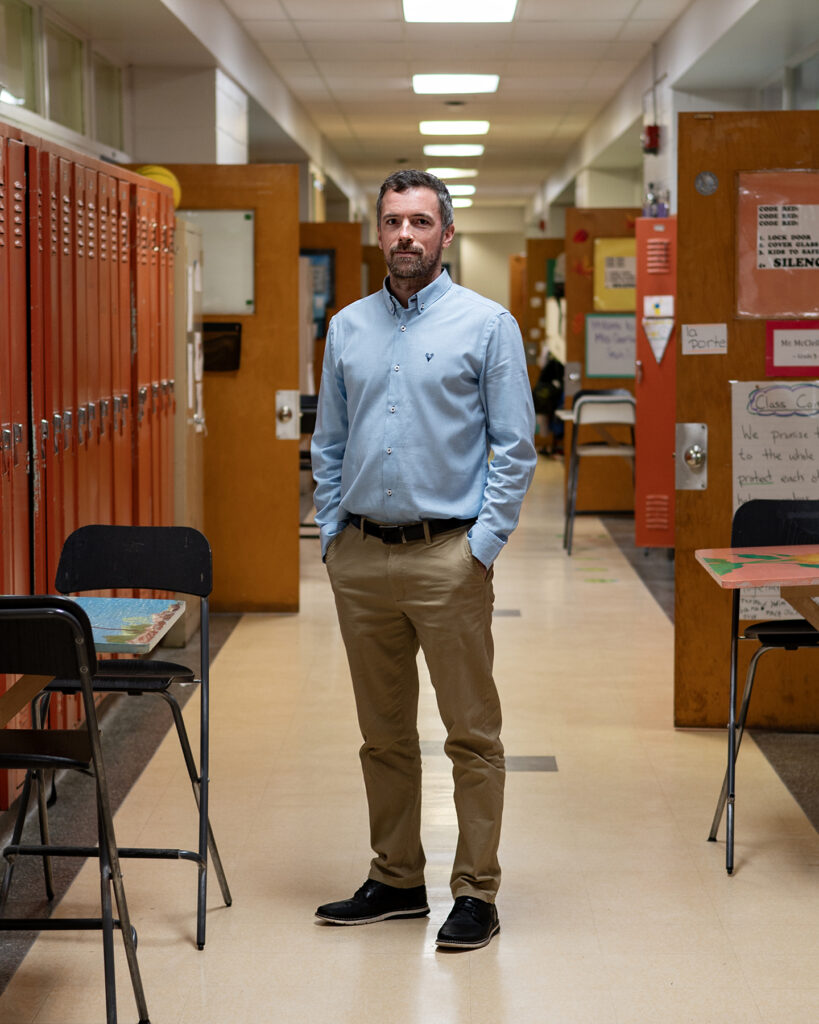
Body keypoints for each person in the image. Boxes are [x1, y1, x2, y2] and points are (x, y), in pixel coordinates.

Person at [310, 169, 536, 950]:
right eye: (392, 222)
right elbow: (329, 443)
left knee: (471, 734)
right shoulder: (347, 327)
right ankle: (396, 878)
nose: (405, 235)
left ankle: (475, 891)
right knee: (383, 735)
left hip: (449, 557)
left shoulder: (487, 324)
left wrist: (481, 548)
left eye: (420, 222)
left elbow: (514, 448)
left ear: (445, 235)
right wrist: (331, 534)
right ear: (378, 232)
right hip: (362, 556)